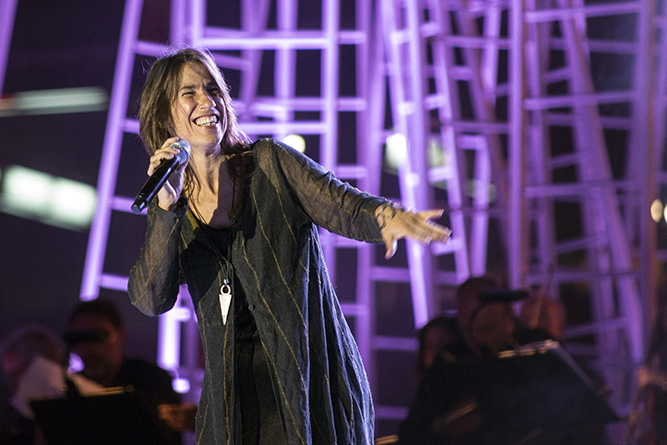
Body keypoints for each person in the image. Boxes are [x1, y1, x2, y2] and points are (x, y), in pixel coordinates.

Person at [127, 46, 452, 444]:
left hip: (308, 391)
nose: (207, 101)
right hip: (233, 410)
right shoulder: (173, 207)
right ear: (164, 116)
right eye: (189, 93)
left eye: (212, 89)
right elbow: (149, 298)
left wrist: (387, 217)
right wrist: (165, 209)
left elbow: (342, 203)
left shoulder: (270, 165)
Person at [65, 298, 183, 443]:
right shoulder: (69, 388)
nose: (89, 348)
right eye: (80, 338)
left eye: (97, 336)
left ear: (120, 335)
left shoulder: (151, 379)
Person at [0, 324, 67, 445]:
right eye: (9, 376)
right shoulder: (12, 421)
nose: (12, 384)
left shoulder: (79, 412)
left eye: (16, 373)